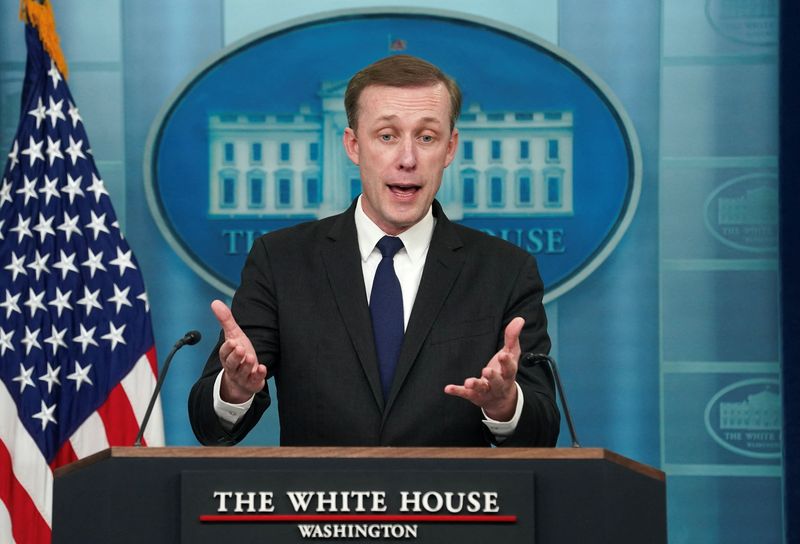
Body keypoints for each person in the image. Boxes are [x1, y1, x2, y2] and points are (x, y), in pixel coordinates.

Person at [188, 54, 560, 447]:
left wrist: (505, 406)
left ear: (450, 149)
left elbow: (542, 430)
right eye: (387, 136)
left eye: (427, 137)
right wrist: (233, 388)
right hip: (318, 505)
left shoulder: (505, 271)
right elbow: (209, 426)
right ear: (353, 145)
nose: (407, 159)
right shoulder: (280, 261)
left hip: (455, 506)